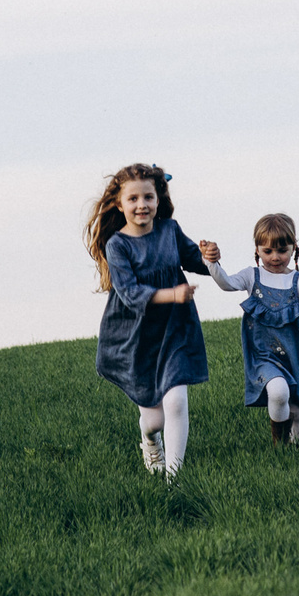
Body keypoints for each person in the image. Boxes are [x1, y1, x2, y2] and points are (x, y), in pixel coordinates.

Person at [85, 162, 212, 479]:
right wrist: (172, 294)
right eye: (133, 199)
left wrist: (209, 256)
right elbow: (129, 293)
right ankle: (150, 440)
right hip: (136, 336)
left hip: (175, 329)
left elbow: (194, 260)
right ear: (120, 203)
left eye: (148, 197)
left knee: (177, 402)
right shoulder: (117, 245)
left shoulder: (169, 230)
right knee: (155, 420)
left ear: (158, 199)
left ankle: (175, 479)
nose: (142, 205)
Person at [205, 212, 299, 445]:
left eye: (282, 251)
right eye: (267, 251)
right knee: (277, 392)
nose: (275, 257)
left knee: (297, 410)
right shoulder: (251, 276)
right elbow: (226, 283)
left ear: (294, 248)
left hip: (296, 353)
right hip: (263, 354)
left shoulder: (298, 280)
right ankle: (280, 446)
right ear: (257, 249)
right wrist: (212, 263)